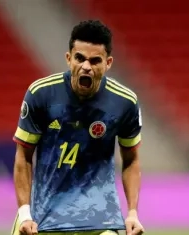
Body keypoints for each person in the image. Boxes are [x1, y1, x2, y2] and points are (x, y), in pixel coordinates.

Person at [11, 20, 144, 235]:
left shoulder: (124, 102)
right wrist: (25, 213)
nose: (86, 67)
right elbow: (24, 156)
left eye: (95, 61)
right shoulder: (41, 94)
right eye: (80, 58)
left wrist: (132, 213)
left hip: (99, 219)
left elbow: (131, 160)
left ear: (108, 63)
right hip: (41, 218)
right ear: (68, 58)